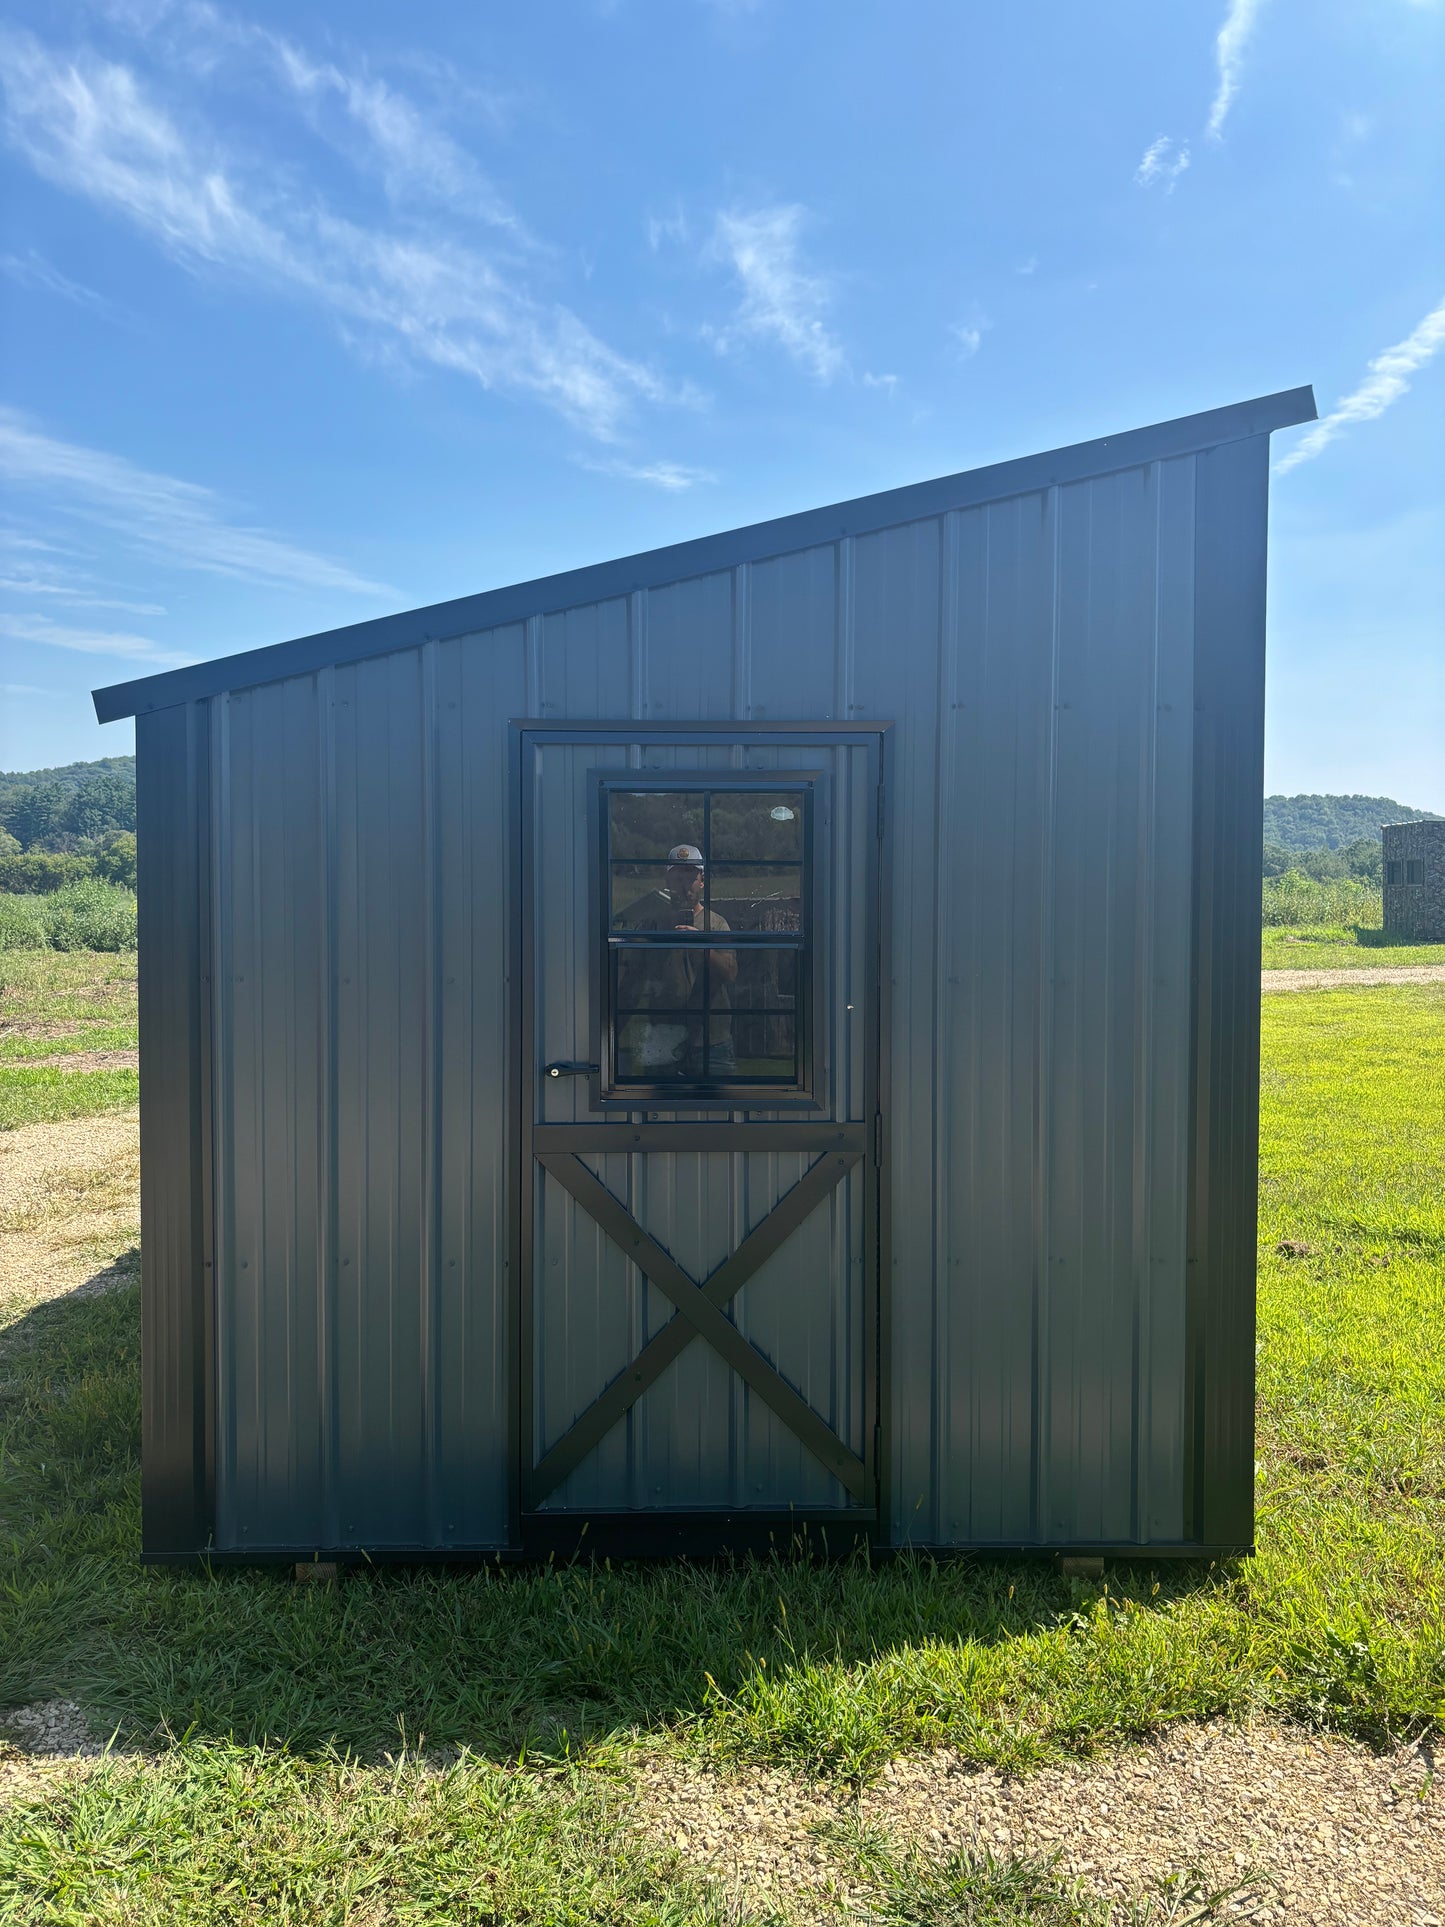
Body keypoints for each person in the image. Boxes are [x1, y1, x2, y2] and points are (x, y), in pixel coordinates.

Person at [613, 843, 737, 1078]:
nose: (683, 885)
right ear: (667, 881)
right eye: (677, 876)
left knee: (717, 1110)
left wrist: (701, 945)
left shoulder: (716, 924)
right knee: (657, 1109)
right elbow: (631, 981)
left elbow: (730, 973)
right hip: (663, 1036)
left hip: (710, 1039)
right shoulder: (651, 925)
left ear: (702, 881)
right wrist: (614, 1032)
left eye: (689, 876)